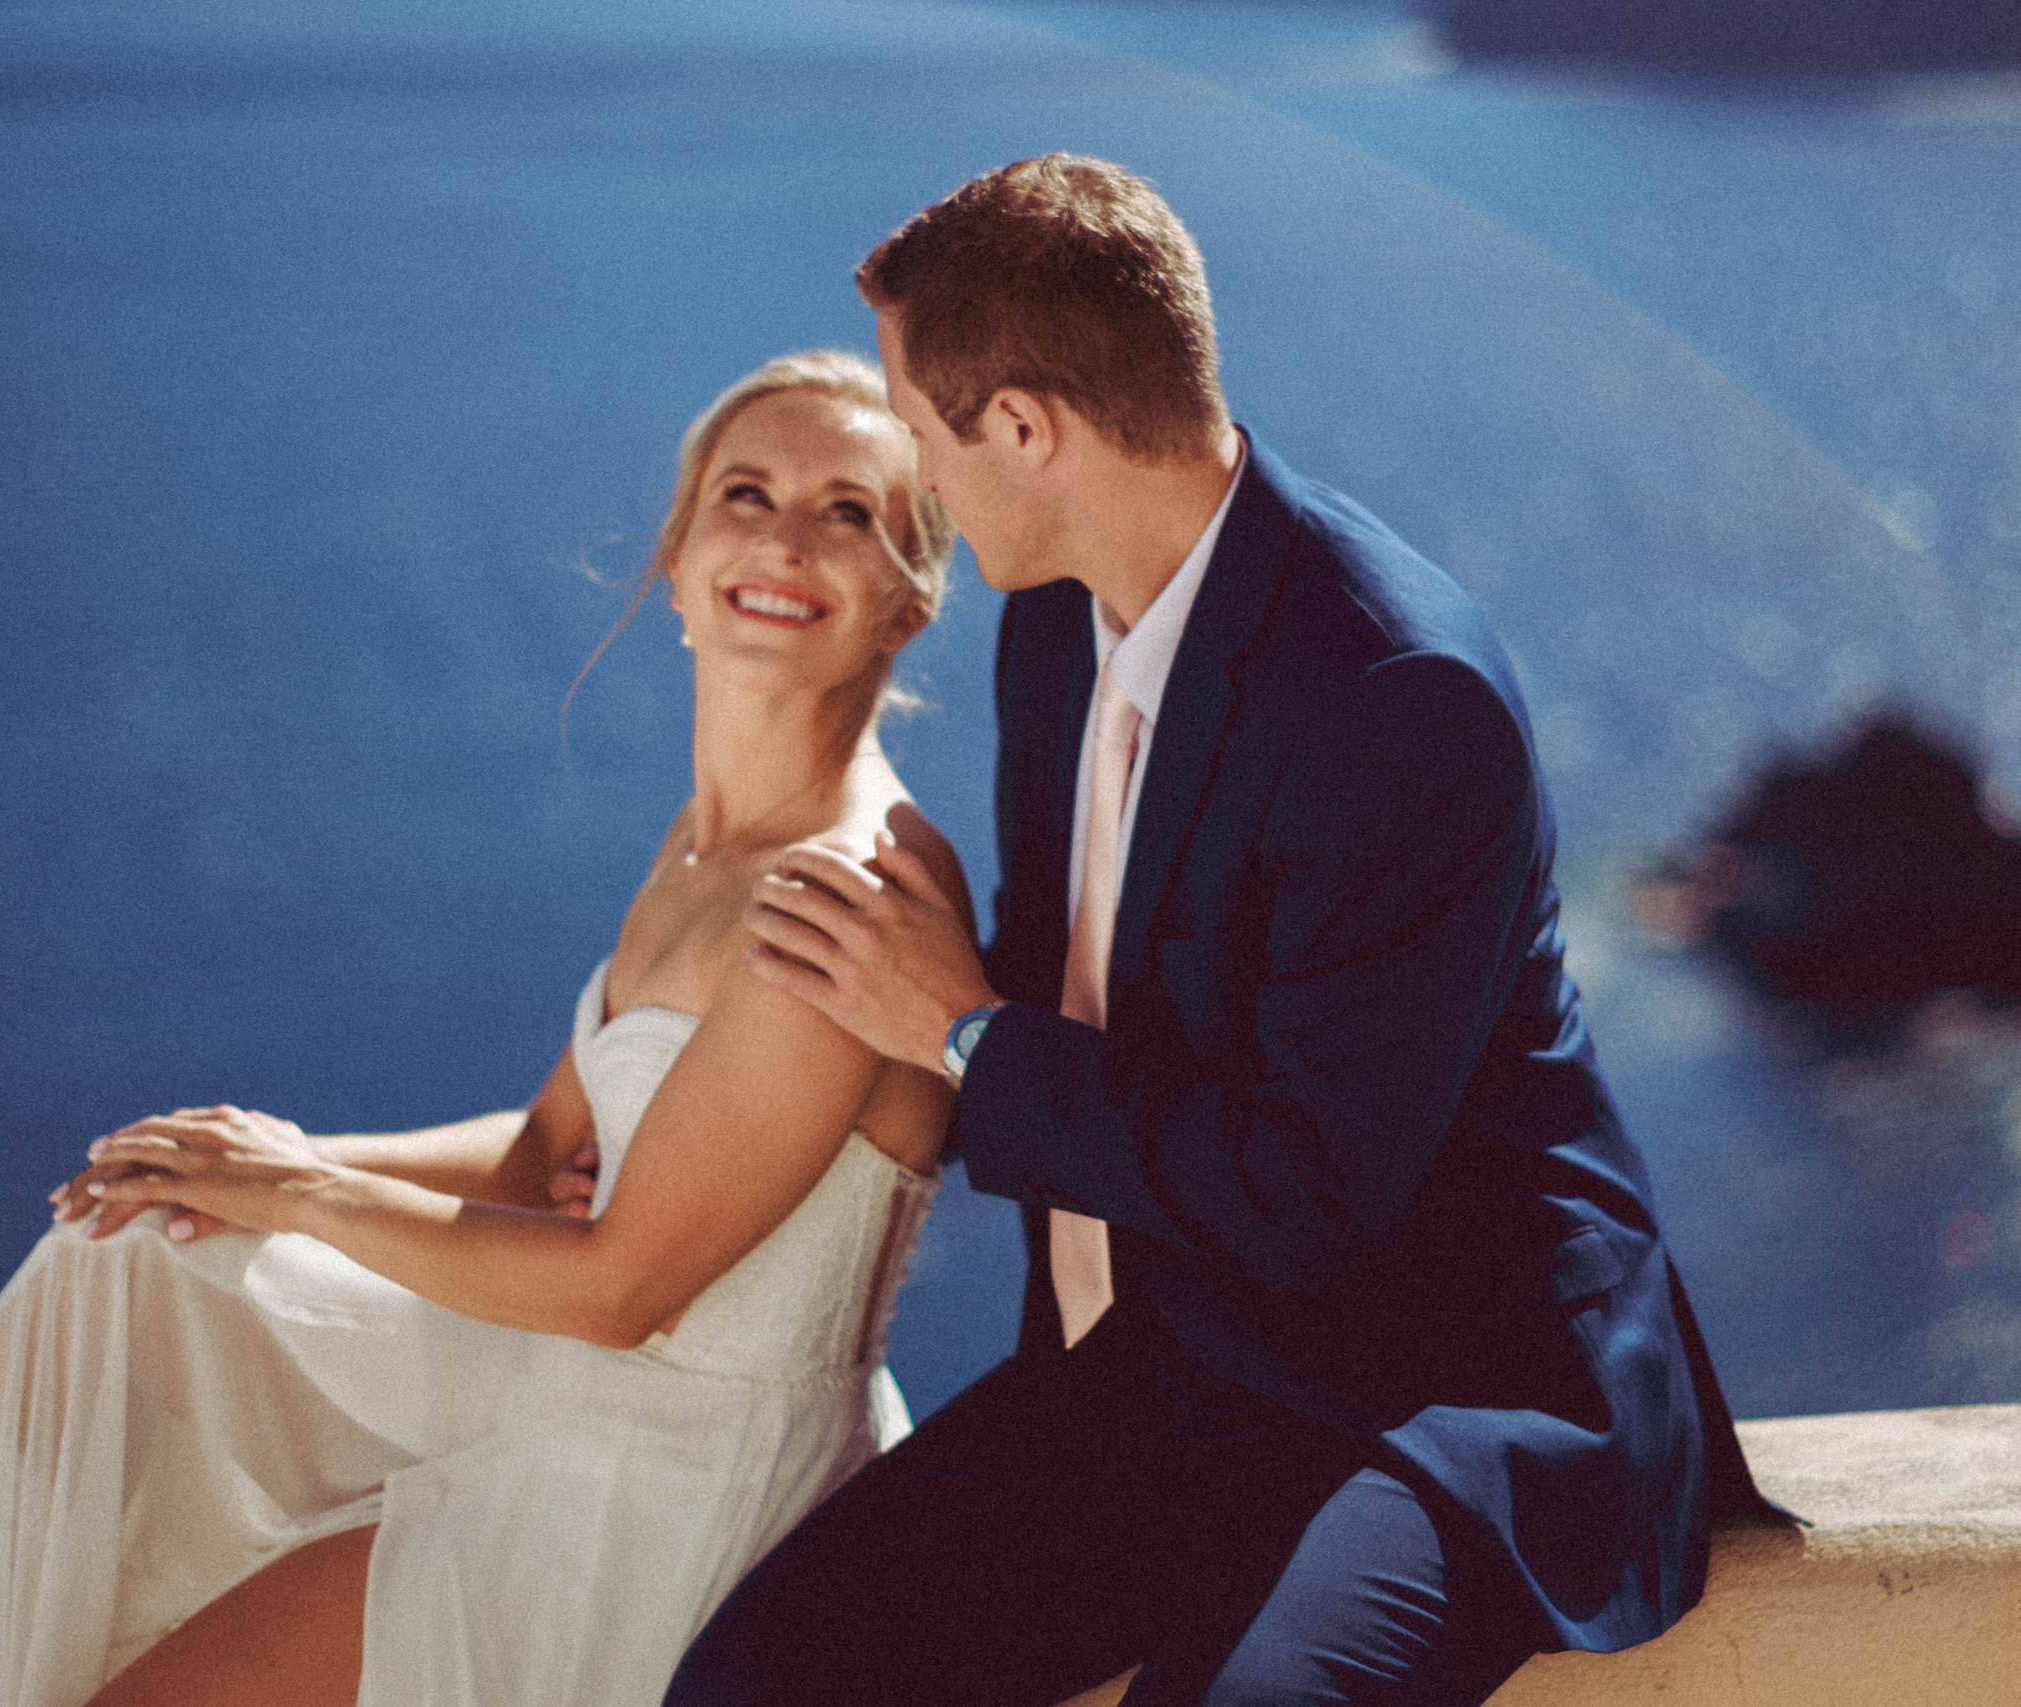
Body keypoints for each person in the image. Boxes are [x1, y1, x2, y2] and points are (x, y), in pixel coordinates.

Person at [674, 156, 1775, 1707]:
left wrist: (968, 1031)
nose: (920, 480)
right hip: (1174, 1372)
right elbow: (1067, 1001)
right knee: (757, 1683)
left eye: (920, 434)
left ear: (1023, 430)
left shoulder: (1395, 695)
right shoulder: (1056, 622)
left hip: (1435, 1391)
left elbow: (1314, 1195)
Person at [0, 349, 967, 1707]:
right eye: (746, 492)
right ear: (677, 552)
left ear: (909, 600)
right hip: (578, 1427)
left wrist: (302, 1193)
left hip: (671, 1505)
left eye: (849, 512)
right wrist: (259, 1159)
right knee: (123, 1254)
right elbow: (549, 1141)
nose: (783, 537)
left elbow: (620, 1286)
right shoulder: (707, 853)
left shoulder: (834, 895)